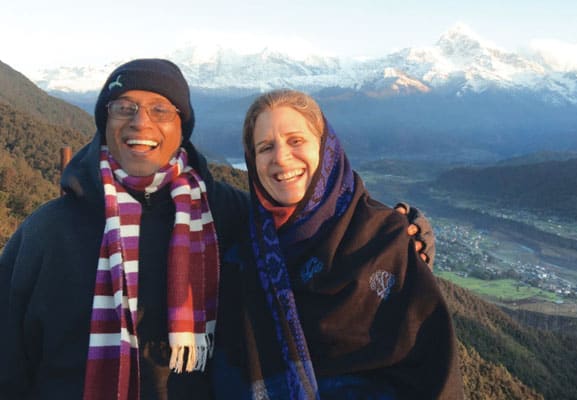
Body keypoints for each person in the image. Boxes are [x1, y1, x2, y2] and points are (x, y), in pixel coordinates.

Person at [0, 59, 436, 399]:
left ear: (182, 128)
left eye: (159, 110)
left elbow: (309, 240)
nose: (140, 123)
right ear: (104, 121)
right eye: (123, 108)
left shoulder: (224, 215)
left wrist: (397, 235)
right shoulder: (46, 234)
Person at [213, 89, 461, 399]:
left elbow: (432, 365)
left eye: (295, 141)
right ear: (253, 161)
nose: (280, 157)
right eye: (265, 147)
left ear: (326, 148)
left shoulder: (384, 238)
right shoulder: (243, 252)